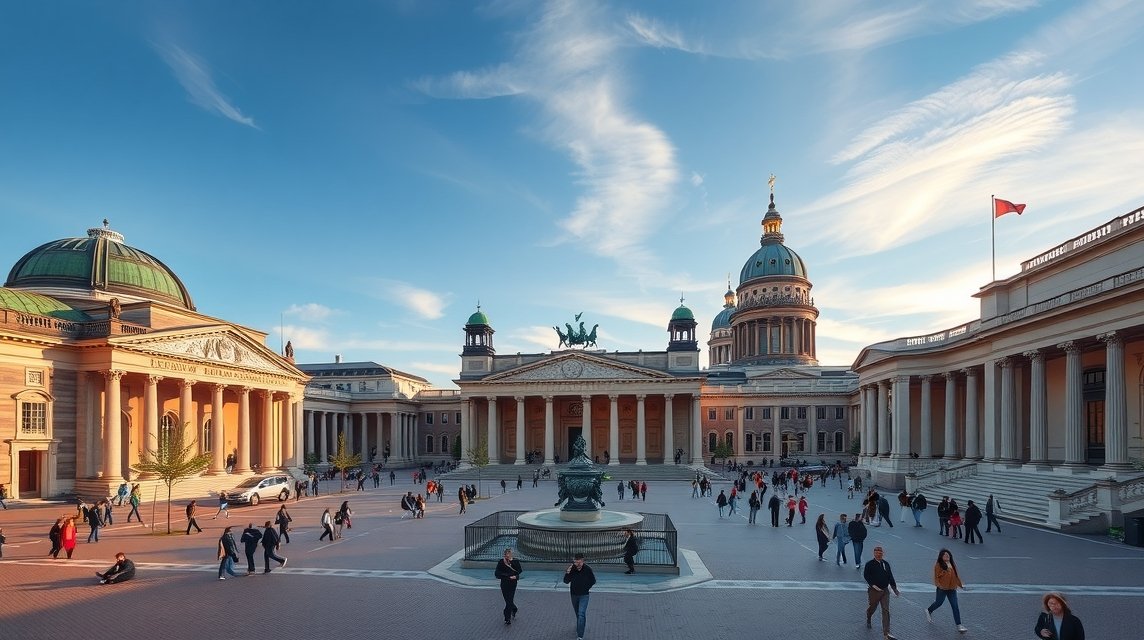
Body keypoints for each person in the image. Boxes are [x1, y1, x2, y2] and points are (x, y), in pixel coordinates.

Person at [925, 548, 968, 632]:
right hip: (942, 588)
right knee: (939, 603)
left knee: (955, 606)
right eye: (945, 555)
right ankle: (929, 610)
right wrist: (939, 585)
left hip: (952, 589)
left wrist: (960, 585)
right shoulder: (938, 565)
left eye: (948, 554)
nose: (947, 555)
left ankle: (959, 625)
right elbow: (936, 577)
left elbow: (956, 576)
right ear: (941, 557)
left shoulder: (952, 564)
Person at [863, 546, 901, 640]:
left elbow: (890, 576)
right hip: (874, 591)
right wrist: (873, 585)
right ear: (874, 553)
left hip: (885, 591)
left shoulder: (886, 564)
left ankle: (886, 633)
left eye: (880, 553)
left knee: (885, 610)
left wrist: (894, 588)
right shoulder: (869, 564)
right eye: (876, 553)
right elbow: (866, 575)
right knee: (872, 607)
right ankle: (869, 616)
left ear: (883, 554)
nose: (878, 555)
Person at [563, 553, 596, 640]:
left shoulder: (588, 569)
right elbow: (565, 581)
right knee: (578, 614)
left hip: (584, 595)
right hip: (574, 595)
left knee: (581, 614)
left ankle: (580, 636)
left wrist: (586, 588)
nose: (578, 564)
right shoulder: (572, 569)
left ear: (583, 561)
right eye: (576, 562)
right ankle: (580, 625)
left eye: (579, 562)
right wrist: (567, 573)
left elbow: (593, 581)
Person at [495, 548, 522, 625]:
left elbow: (519, 571)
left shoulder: (516, 561)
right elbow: (497, 573)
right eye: (506, 554)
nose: (507, 555)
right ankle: (514, 608)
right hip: (504, 583)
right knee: (508, 600)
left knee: (509, 601)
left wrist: (516, 577)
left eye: (509, 554)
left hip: (512, 584)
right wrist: (505, 576)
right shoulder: (501, 562)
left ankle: (507, 618)